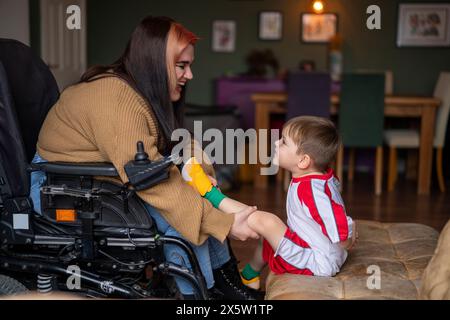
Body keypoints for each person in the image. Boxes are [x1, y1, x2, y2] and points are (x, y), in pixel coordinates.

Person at [31, 16, 261, 300]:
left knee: (190, 197)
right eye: (181, 66)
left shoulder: (140, 94)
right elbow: (152, 181)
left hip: (101, 179)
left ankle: (226, 285)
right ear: (155, 63)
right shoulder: (116, 97)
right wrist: (224, 222)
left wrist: (199, 175)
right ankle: (194, 294)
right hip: (59, 188)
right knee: (176, 213)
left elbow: (172, 147)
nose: (189, 75)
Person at [182, 116, 356, 290]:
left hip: (317, 262)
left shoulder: (311, 191)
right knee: (268, 236)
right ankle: (250, 276)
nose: (276, 143)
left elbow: (339, 226)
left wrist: (348, 234)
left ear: (303, 161)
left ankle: (209, 192)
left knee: (268, 222)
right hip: (314, 250)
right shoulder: (318, 177)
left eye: (284, 142)